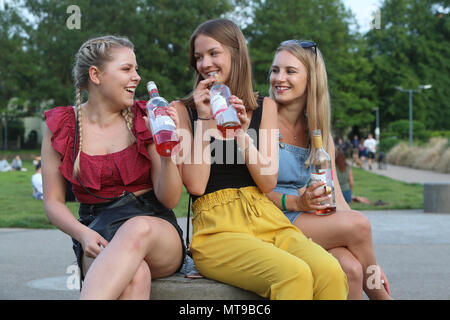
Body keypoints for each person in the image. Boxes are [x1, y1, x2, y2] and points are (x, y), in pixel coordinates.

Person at [176, 18, 348, 300]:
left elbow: (267, 181)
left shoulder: (262, 107)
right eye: (198, 57)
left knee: (330, 271)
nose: (205, 63)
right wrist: (206, 119)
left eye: (213, 53)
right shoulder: (185, 110)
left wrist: (242, 134)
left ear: (236, 54)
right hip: (217, 229)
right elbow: (195, 185)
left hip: (265, 217)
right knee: (294, 274)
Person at [41, 35, 185, 300]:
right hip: (97, 229)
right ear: (96, 75)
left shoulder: (147, 118)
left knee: (136, 227)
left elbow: (170, 199)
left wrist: (168, 152)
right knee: (136, 275)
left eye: (136, 69)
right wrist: (83, 234)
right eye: (126, 69)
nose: (137, 77)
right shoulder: (62, 126)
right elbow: (53, 202)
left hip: (155, 228)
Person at [266, 39, 391, 300]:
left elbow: (336, 196)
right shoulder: (262, 120)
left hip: (306, 218)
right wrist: (374, 266)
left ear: (311, 79)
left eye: (290, 71)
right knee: (360, 225)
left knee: (352, 269)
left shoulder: (318, 131)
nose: (279, 78)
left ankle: (371, 278)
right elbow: (249, 190)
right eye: (276, 70)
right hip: (270, 217)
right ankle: (383, 298)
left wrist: (369, 260)